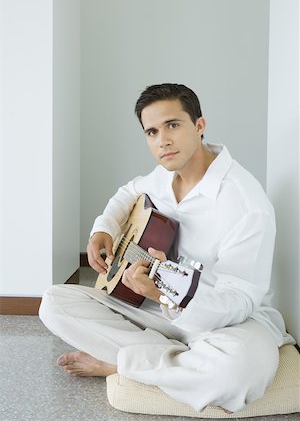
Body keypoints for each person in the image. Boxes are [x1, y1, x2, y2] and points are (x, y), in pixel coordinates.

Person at [39, 83, 294, 413]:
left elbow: (239, 301)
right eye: (152, 132)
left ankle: (121, 364)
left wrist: (163, 289)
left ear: (199, 125)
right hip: (155, 310)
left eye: (173, 125)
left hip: (228, 324)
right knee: (53, 303)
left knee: (237, 373)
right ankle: (174, 365)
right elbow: (127, 193)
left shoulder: (246, 204)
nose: (163, 141)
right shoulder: (162, 177)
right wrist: (103, 229)